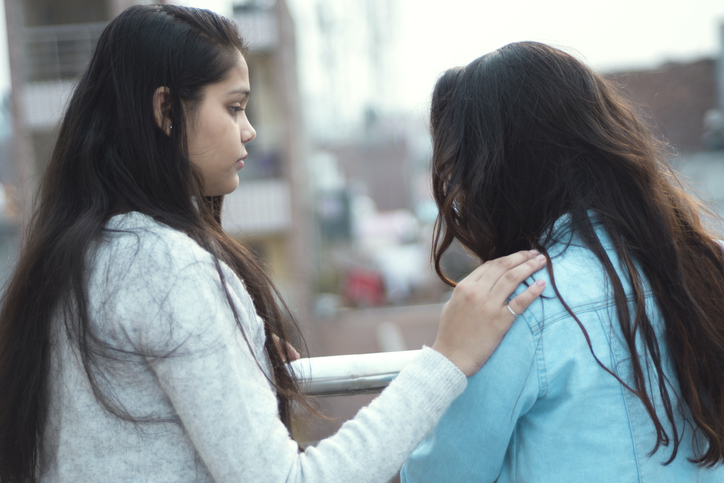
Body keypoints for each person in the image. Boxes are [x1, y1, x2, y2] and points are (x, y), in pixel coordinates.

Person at [0, 6, 547, 483]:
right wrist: (447, 361)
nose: (250, 130)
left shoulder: (76, 255)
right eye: (234, 107)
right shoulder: (166, 268)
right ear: (166, 111)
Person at [401, 41, 724, 482]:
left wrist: (447, 359)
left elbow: (440, 476)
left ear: (493, 175)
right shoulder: (705, 264)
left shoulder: (516, 304)